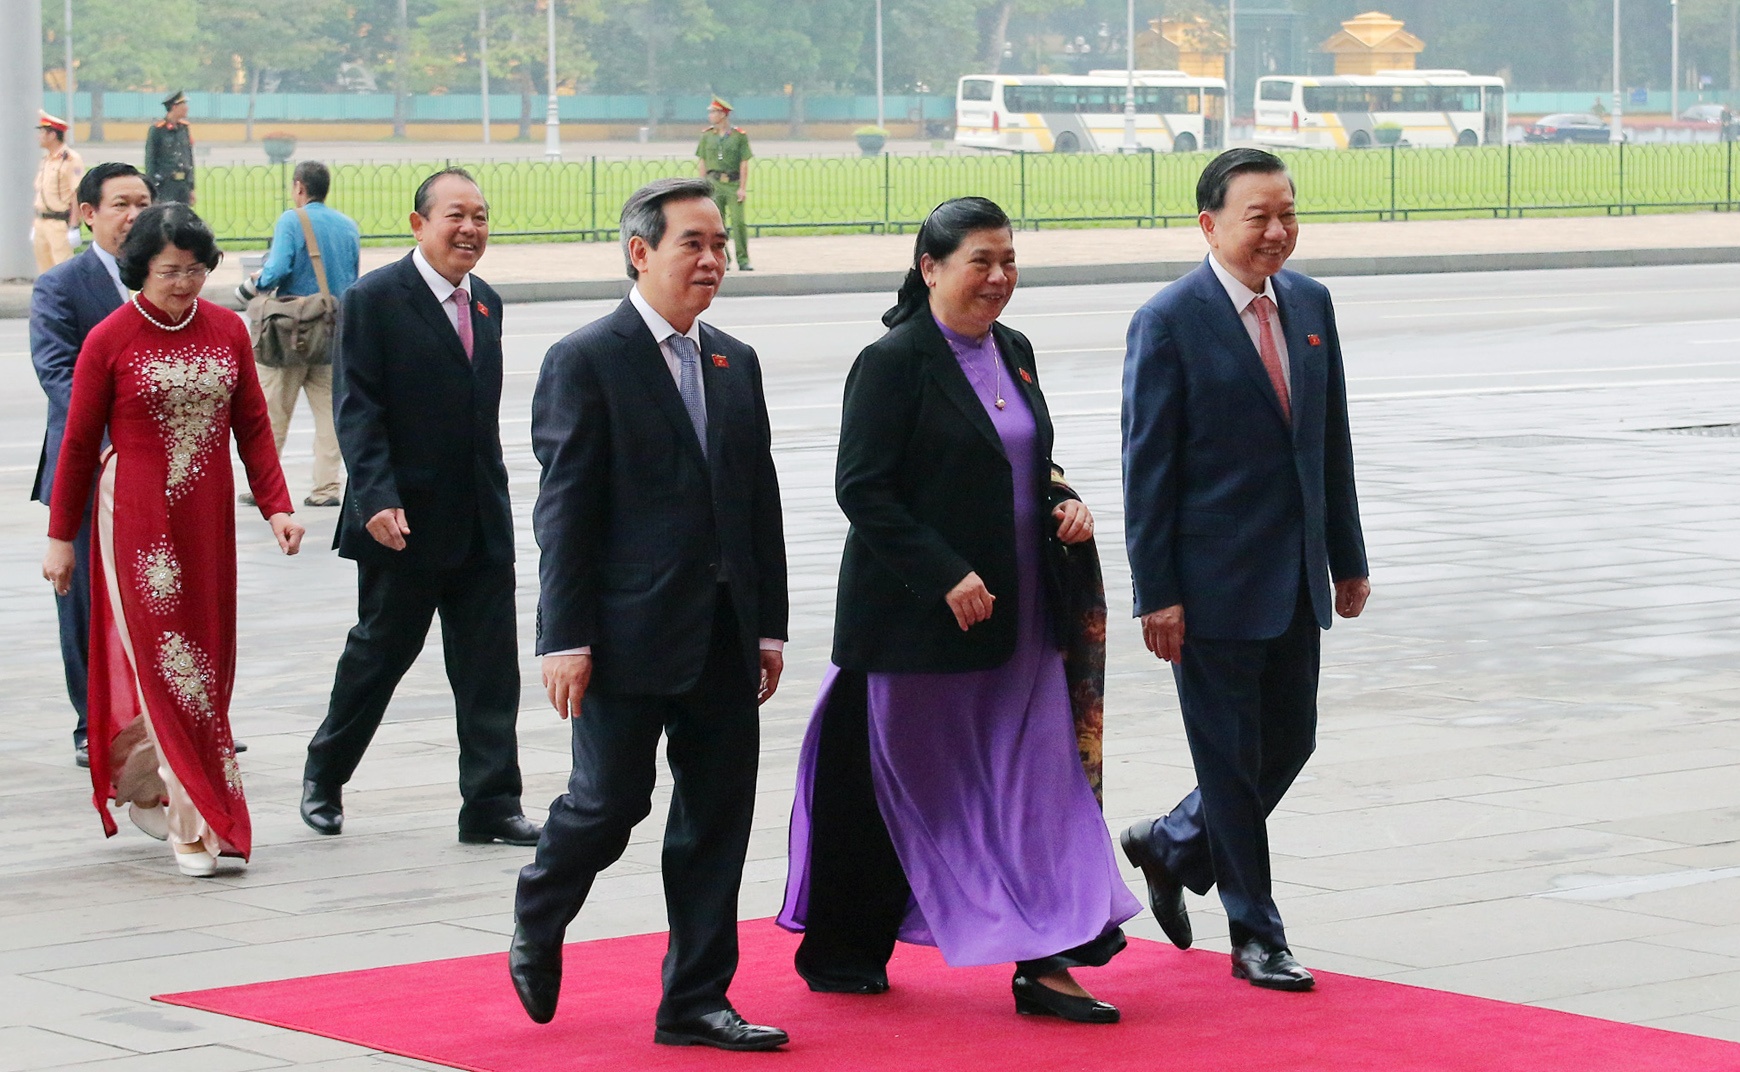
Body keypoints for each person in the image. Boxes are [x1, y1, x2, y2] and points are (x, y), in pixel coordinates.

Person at [778, 197, 1140, 1025]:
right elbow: (861, 489)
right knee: (896, 791)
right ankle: (844, 947)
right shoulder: (894, 362)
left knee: (1035, 792)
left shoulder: (1013, 350)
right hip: (920, 628)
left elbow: (1031, 463)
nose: (1000, 278)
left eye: (1009, 260)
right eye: (981, 261)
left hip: (1023, 621)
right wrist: (944, 574)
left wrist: (1068, 501)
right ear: (930, 267)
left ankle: (1046, 960)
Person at [509, 178, 789, 1052]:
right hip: (623, 633)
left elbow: (758, 502)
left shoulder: (733, 360)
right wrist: (564, 638)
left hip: (721, 635)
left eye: (719, 245)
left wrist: (768, 626)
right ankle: (543, 902)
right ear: (641, 252)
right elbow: (564, 511)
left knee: (716, 819)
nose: (712, 261)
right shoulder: (586, 359)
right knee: (610, 802)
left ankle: (697, 999)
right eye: (692, 245)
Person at [1119, 148, 1370, 992]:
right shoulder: (1169, 319)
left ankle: (1174, 841)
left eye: (1287, 214)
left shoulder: (1310, 304)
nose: (1277, 232)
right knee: (1230, 761)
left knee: (1289, 741)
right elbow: (1147, 470)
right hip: (1210, 586)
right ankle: (1256, 935)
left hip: (1295, 577)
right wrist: (1157, 593)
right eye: (1258, 216)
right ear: (1210, 224)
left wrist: (1347, 556)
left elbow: (1327, 442)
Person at [41, 203, 305, 878]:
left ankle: (147, 781)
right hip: (133, 517)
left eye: (194, 270)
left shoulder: (226, 330)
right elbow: (75, 446)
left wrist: (277, 507)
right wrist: (58, 539)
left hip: (207, 517)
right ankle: (202, 823)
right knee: (172, 662)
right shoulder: (110, 338)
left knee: (207, 662)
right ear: (139, 271)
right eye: (168, 272)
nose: (184, 284)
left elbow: (252, 427)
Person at [301, 167, 541, 848]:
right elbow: (358, 407)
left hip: (480, 521)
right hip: (400, 521)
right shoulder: (374, 298)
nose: (470, 230)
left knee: (491, 668)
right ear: (419, 224)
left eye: (481, 217)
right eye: (455, 216)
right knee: (378, 656)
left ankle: (491, 804)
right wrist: (375, 496)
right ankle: (325, 774)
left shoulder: (487, 301)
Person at [30, 161, 155, 767]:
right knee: (81, 600)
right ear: (87, 214)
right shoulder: (61, 286)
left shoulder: (166, 280)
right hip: (86, 470)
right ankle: (93, 724)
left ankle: (172, 721)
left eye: (143, 203)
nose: (134, 216)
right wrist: (111, 438)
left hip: (157, 477)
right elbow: (58, 374)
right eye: (120, 205)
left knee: (158, 595)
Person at [239, 161, 360, 508]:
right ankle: (326, 488)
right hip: (331, 332)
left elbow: (277, 268)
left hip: (290, 335)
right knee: (329, 414)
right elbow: (351, 278)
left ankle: (263, 485)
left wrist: (251, 287)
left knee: (272, 411)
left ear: (299, 188)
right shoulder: (348, 226)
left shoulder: (292, 219)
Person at [695, 97, 753, 271]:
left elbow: (744, 162)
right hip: (714, 183)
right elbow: (702, 162)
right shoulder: (706, 136)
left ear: (723, 114)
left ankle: (743, 260)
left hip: (733, 183)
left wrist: (742, 187)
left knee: (738, 222)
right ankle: (723, 259)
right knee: (715, 225)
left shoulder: (739, 136)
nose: (710, 115)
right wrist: (702, 186)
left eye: (713, 112)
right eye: (710, 112)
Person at [33, 111, 83, 272]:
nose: (39, 136)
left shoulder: (70, 159)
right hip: (42, 222)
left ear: (52, 134)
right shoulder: (47, 159)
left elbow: (76, 193)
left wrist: (74, 226)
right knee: (44, 272)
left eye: (42, 132)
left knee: (62, 271)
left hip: (59, 224)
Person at [144, 91, 195, 206]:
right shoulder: (158, 130)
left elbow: (189, 157)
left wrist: (191, 187)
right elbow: (150, 160)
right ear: (174, 107)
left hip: (183, 185)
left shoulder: (184, 128)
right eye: (184, 105)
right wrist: (152, 188)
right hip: (165, 185)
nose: (187, 108)